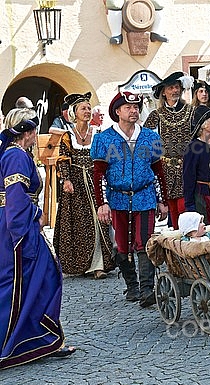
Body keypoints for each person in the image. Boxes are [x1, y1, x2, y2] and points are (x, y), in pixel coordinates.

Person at [0, 108, 75, 369]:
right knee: (27, 279)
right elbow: (16, 198)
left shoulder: (15, 154)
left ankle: (37, 338)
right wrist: (32, 221)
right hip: (19, 227)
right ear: (29, 133)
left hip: (17, 224)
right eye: (35, 131)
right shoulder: (16, 156)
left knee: (35, 278)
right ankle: (20, 341)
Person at [91, 91, 169, 308]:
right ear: (118, 112)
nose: (134, 111)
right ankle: (132, 285)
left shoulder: (150, 137)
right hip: (117, 197)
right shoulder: (104, 139)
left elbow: (158, 170)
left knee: (144, 242)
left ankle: (147, 290)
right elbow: (98, 174)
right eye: (128, 107)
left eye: (136, 107)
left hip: (145, 196)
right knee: (122, 245)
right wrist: (102, 203)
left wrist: (162, 199)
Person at [54, 92, 113, 279]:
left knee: (98, 221)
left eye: (89, 108)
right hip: (76, 184)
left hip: (96, 181)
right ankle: (82, 264)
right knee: (80, 224)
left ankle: (99, 265)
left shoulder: (98, 133)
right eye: (83, 108)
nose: (87, 111)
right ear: (74, 112)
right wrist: (67, 179)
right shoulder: (67, 135)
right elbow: (63, 159)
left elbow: (105, 158)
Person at [144, 71, 195, 230]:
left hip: (188, 165)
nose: (175, 91)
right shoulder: (156, 115)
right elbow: (144, 140)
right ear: (163, 92)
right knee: (172, 207)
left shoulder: (191, 111)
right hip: (165, 168)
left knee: (186, 206)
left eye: (177, 87)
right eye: (171, 88)